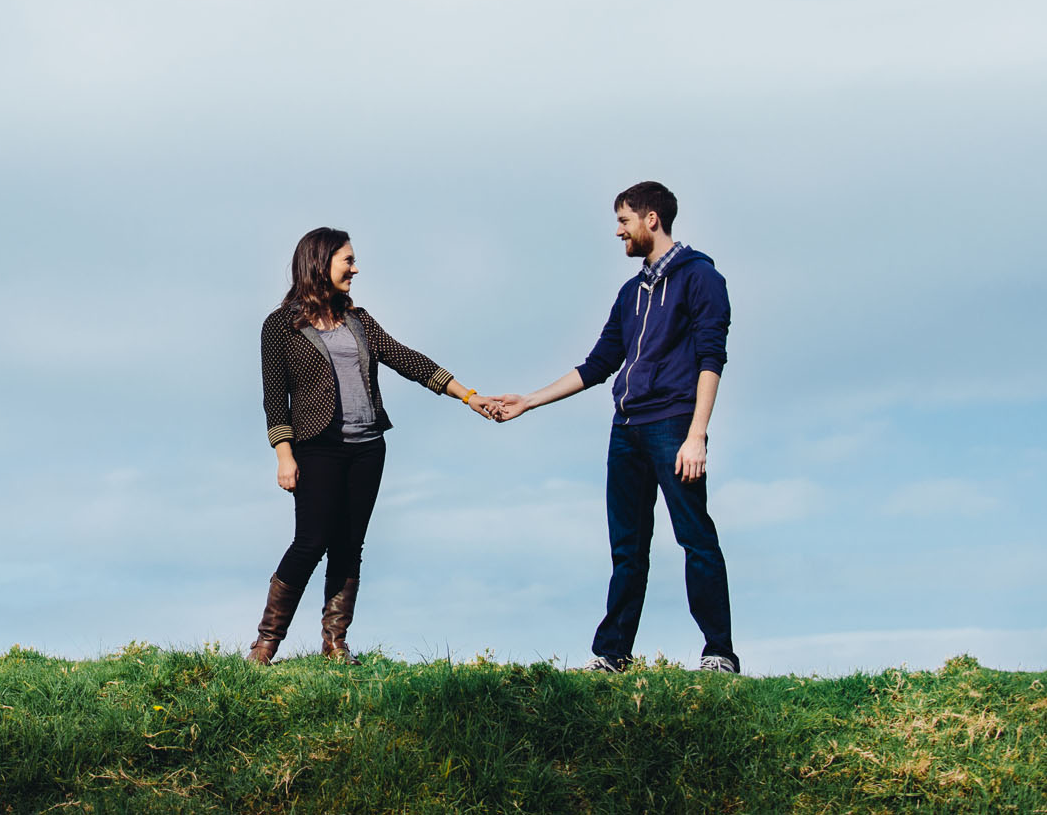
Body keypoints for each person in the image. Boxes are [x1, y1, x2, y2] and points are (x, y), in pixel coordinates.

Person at [492, 182, 740, 673]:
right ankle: (612, 654)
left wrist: (696, 435)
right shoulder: (631, 293)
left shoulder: (701, 279)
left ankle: (719, 652)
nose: (618, 231)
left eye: (624, 220)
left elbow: (712, 358)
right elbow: (600, 363)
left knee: (696, 538)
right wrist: (530, 400)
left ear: (651, 219)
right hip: (625, 430)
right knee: (627, 548)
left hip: (673, 425)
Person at [248, 227, 502, 664]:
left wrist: (468, 395)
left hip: (367, 447)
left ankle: (334, 643)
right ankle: (266, 644)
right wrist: (284, 455)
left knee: (350, 543)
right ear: (319, 262)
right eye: (347, 260)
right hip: (316, 447)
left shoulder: (358, 320)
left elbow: (406, 358)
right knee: (311, 540)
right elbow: (275, 398)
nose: (355, 268)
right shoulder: (280, 327)